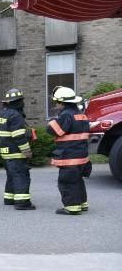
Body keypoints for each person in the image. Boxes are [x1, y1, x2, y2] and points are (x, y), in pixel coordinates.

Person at [47, 86, 91, 215]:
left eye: (57, 102)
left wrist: (53, 121)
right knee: (77, 180)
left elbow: (55, 130)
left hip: (69, 156)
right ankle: (82, 203)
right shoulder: (81, 115)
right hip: (81, 156)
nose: (56, 104)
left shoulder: (66, 115)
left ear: (62, 102)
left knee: (67, 181)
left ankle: (72, 207)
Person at [0, 88, 35, 210]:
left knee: (11, 176)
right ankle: (22, 202)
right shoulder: (16, 116)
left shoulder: (0, 114)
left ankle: (9, 198)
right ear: (18, 102)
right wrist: (27, 151)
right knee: (21, 176)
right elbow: (19, 136)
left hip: (5, 153)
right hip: (16, 153)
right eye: (21, 101)